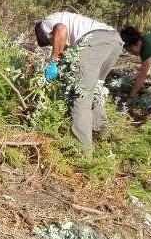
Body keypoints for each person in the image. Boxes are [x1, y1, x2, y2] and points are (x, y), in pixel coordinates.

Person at [35, 12, 122, 152]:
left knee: (81, 96)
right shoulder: (66, 20)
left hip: (95, 41)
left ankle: (82, 152)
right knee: (95, 90)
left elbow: (61, 30)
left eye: (49, 42)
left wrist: (53, 62)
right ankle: (103, 137)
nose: (52, 44)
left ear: (40, 33)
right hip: (114, 41)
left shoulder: (45, 24)